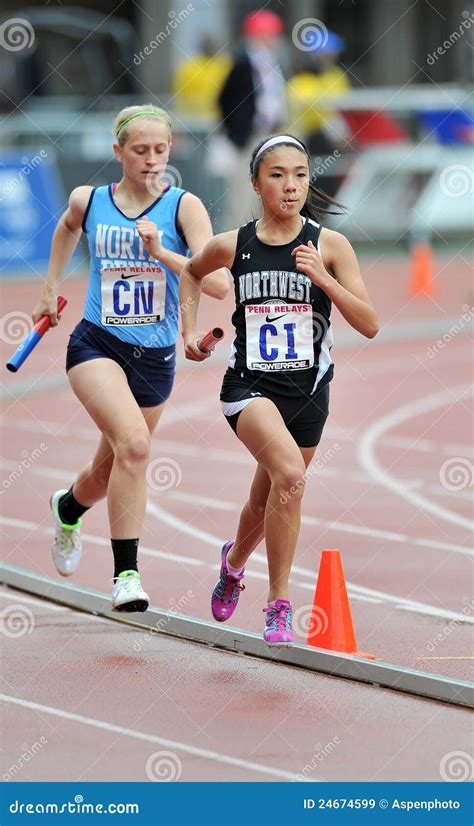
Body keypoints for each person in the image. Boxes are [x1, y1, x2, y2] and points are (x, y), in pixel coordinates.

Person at [178, 134, 378, 646]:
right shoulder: (234, 244)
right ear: (255, 183)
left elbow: (371, 323)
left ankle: (233, 561)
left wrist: (325, 281)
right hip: (248, 385)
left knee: (269, 493)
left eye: (300, 176)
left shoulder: (329, 245)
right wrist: (188, 334)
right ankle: (279, 602)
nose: (290, 186)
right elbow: (192, 272)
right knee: (290, 473)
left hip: (309, 391)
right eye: (277, 175)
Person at [31, 104, 229, 612]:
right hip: (96, 343)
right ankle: (127, 576)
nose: (151, 160)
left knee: (111, 467)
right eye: (140, 151)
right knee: (136, 447)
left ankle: (68, 506)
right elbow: (67, 228)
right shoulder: (90, 200)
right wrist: (50, 288)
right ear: (118, 152)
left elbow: (219, 283)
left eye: (160, 150)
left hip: (156, 357)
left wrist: (163, 254)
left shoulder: (184, 208)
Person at [217, 10, 287, 228]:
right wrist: (238, 131)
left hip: (267, 135)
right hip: (248, 137)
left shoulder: (271, 63)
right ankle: (236, 243)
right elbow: (224, 99)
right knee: (243, 193)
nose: (275, 39)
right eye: (270, 34)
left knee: (266, 189)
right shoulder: (243, 62)